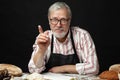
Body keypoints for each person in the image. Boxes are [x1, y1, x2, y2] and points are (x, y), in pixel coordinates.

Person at [28, 1, 99, 75]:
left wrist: (62, 68)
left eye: (63, 20)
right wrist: (41, 51)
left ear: (69, 20)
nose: (59, 25)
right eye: (54, 20)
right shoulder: (44, 38)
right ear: (49, 21)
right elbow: (33, 70)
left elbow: (94, 68)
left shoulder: (82, 36)